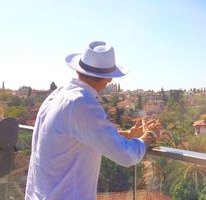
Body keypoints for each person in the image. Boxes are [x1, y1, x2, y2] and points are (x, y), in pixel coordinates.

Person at [25, 41, 160, 200]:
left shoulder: (58, 95)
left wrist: (127, 135)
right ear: (109, 78)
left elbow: (80, 134)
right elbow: (127, 156)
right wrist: (149, 135)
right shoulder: (81, 103)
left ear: (78, 69)